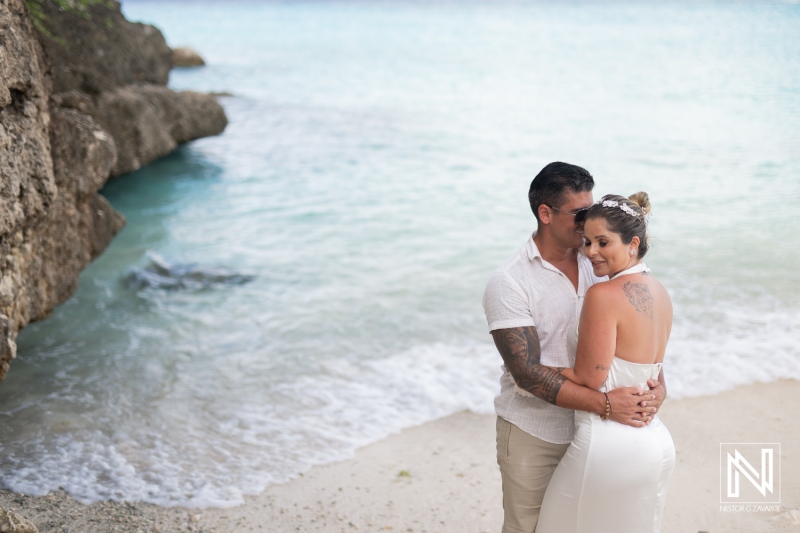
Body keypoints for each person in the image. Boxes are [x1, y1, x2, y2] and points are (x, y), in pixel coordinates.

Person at [482, 162, 666, 533]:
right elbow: (527, 374)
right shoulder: (509, 282)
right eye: (579, 213)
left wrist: (656, 382)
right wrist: (608, 405)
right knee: (529, 528)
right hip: (537, 434)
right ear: (545, 213)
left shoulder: (598, 260)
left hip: (601, 432)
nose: (589, 221)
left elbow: (637, 324)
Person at [535, 192, 675, 533]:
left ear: (633, 244)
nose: (590, 252)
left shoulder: (603, 294)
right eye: (587, 242)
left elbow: (589, 378)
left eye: (602, 242)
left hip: (608, 443)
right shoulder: (659, 291)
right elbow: (653, 369)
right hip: (654, 441)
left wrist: (532, 369)